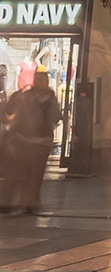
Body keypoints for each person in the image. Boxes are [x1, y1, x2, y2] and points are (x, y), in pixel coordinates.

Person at [0, 71, 61, 214]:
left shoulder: (51, 99)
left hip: (42, 142)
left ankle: (29, 202)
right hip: (23, 140)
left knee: (36, 174)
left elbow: (55, 117)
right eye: (37, 79)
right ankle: (10, 201)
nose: (39, 82)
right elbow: (8, 113)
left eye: (42, 80)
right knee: (17, 172)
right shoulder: (24, 96)